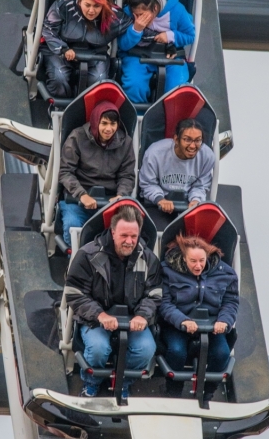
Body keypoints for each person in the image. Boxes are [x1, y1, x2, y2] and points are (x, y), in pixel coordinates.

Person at [64, 205, 161, 397]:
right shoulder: (88, 255)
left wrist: (143, 316)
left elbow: (155, 293)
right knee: (99, 349)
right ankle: (92, 383)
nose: (129, 241)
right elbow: (74, 293)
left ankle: (123, 382)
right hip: (96, 319)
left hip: (133, 320)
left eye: (134, 236)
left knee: (146, 349)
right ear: (113, 231)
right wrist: (99, 315)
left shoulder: (148, 258)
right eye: (124, 235)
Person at [159, 233, 239, 396]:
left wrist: (224, 321)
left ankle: (208, 391)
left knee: (221, 353)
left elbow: (231, 301)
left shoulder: (226, 273)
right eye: (193, 261)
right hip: (177, 324)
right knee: (176, 351)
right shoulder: (167, 271)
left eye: (202, 261)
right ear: (183, 258)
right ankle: (173, 391)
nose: (198, 266)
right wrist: (182, 321)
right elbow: (164, 303)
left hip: (211, 326)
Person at [58, 100, 136, 246]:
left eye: (113, 124)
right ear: (95, 122)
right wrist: (82, 195)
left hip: (109, 202)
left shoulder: (126, 143)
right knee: (72, 226)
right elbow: (65, 172)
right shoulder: (77, 137)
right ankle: (75, 264)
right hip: (77, 200)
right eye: (104, 123)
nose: (109, 129)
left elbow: (127, 175)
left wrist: (121, 195)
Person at [41, 0, 131, 98]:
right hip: (61, 52)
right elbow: (48, 29)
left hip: (95, 53)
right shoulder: (64, 5)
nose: (91, 11)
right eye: (87, 5)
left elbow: (135, 28)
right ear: (79, 0)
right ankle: (60, 106)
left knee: (98, 81)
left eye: (97, 6)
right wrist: (63, 48)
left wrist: (165, 38)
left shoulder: (113, 14)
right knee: (59, 77)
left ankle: (87, 107)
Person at [118, 0, 195, 103]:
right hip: (138, 55)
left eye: (142, 15)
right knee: (134, 84)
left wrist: (170, 36)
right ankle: (138, 114)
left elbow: (190, 35)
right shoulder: (128, 13)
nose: (139, 19)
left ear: (154, 8)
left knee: (177, 86)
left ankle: (170, 115)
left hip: (170, 55)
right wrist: (135, 30)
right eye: (136, 15)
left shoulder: (177, 11)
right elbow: (122, 44)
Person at [139, 118, 215, 216]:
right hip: (156, 204)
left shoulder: (207, 156)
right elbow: (147, 184)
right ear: (176, 139)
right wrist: (160, 199)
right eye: (187, 139)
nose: (192, 146)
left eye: (198, 140)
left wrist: (196, 200)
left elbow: (201, 185)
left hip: (187, 204)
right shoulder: (155, 153)